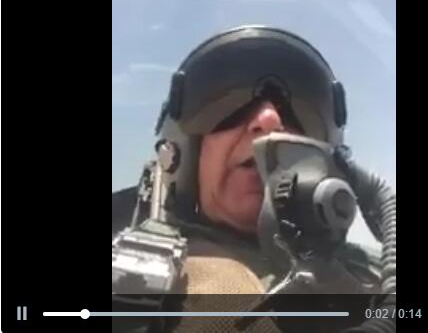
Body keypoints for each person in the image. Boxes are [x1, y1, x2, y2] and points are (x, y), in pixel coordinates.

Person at [112, 25, 396, 332]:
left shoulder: (375, 278)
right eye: (225, 99)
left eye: (299, 106)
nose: (269, 120)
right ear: (186, 149)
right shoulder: (123, 261)